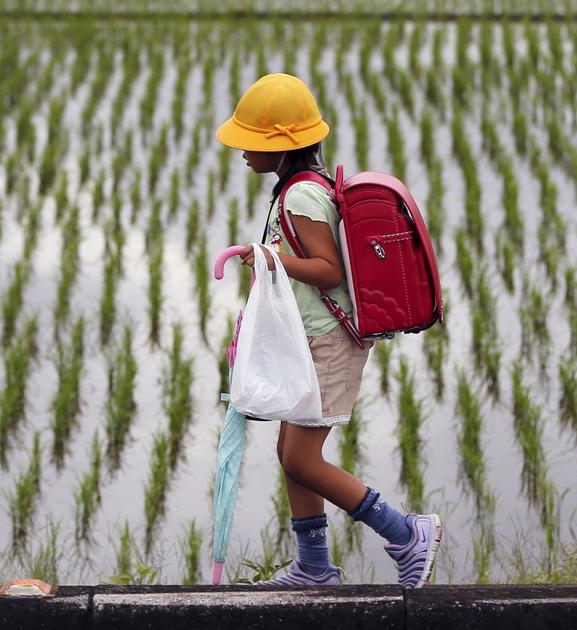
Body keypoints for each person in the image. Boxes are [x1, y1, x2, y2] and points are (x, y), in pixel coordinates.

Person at [216, 73, 443, 588]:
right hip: (309, 340)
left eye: (252, 140)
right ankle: (315, 567)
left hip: (330, 344)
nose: (242, 150)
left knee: (300, 456)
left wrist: (270, 258)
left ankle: (406, 532)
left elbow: (328, 269)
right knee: (289, 455)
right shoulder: (297, 189)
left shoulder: (302, 198)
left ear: (283, 146)